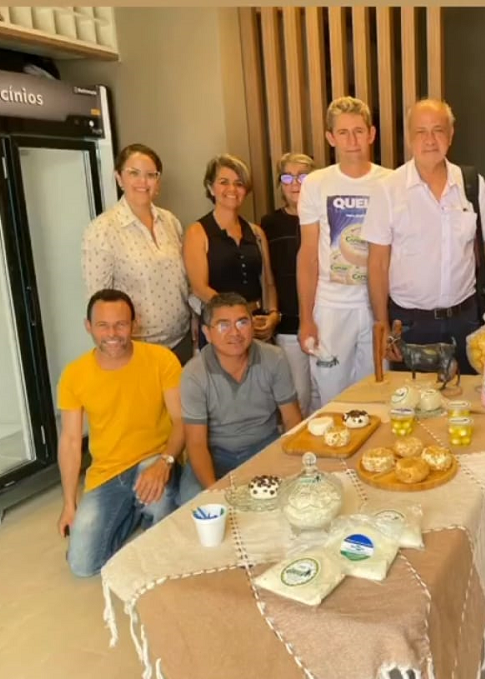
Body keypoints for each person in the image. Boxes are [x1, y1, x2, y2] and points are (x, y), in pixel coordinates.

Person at [363, 98, 485, 374]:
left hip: (466, 321)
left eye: (438, 130)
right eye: (420, 131)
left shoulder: (472, 183)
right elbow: (377, 265)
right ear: (408, 138)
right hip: (408, 325)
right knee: (412, 410)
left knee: (467, 408)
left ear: (450, 136)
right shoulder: (387, 189)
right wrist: (382, 327)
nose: (430, 140)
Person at [56, 289, 183, 577]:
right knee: (82, 565)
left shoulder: (162, 360)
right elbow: (71, 441)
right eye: (103, 325)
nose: (112, 333)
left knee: (163, 543)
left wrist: (166, 463)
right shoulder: (74, 375)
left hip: (154, 461)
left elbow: (181, 421)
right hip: (107, 474)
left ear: (134, 324)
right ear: (88, 326)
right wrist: (69, 504)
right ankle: (134, 511)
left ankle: (146, 510)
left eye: (121, 324)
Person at [296, 96, 392, 403]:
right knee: (332, 398)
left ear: (372, 134)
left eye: (359, 131)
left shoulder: (390, 182)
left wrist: (388, 316)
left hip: (376, 308)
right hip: (331, 307)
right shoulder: (316, 183)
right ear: (330, 137)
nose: (352, 140)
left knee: (377, 396)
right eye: (343, 132)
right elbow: (308, 254)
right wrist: (306, 317)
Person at [178, 292, 302, 503]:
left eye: (242, 322)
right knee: (193, 503)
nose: (235, 333)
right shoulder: (194, 373)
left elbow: (292, 420)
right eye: (223, 325)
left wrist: (293, 465)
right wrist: (213, 492)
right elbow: (196, 443)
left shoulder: (274, 358)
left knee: (291, 496)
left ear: (252, 325)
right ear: (207, 333)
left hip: (264, 446)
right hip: (215, 453)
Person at [82, 143, 192, 365]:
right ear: (119, 178)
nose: (143, 182)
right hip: (137, 349)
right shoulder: (102, 230)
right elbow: (99, 302)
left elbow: (185, 281)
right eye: (134, 173)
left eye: (150, 175)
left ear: (157, 181)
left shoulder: (170, 221)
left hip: (182, 341)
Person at [183, 154, 280, 348]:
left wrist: (273, 315)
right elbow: (199, 288)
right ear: (211, 187)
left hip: (257, 323)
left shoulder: (256, 232)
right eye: (224, 182)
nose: (232, 189)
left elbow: (268, 283)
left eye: (239, 183)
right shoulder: (197, 232)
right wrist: (238, 317)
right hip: (220, 326)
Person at [261, 152, 320, 416]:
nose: (295, 183)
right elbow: (268, 277)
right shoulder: (269, 224)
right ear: (280, 184)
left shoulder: (324, 218)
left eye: (302, 176)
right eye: (287, 177)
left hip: (325, 318)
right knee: (299, 395)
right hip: (288, 322)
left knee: (326, 391)